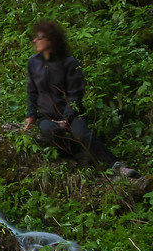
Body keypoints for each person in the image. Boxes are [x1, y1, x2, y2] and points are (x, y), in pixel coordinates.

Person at [24, 20, 116, 166]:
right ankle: (79, 154)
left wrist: (67, 119)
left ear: (51, 40)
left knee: (82, 134)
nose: (35, 40)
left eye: (39, 37)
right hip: (46, 115)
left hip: (72, 114)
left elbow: (75, 95)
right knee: (50, 131)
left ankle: (115, 164)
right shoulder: (33, 63)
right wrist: (31, 115)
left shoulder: (69, 63)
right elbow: (32, 91)